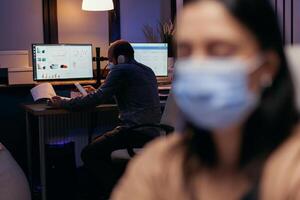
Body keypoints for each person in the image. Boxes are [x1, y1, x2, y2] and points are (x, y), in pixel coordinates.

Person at [111, 0, 300, 200]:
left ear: (267, 66)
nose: (198, 65)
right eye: (186, 51)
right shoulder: (160, 163)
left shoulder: (292, 168)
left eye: (218, 50)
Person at [49, 40, 161, 199]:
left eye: (110, 60)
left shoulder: (121, 69)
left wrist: (63, 102)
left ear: (120, 58)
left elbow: (94, 101)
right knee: (99, 147)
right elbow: (120, 93)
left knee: (89, 153)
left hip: (135, 132)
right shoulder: (147, 70)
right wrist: (99, 91)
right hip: (151, 133)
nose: (109, 64)